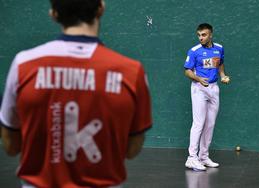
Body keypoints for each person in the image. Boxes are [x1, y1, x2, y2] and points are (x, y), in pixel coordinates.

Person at [0, 0, 152, 187]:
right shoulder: (132, 72)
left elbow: (10, 145)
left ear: (53, 14)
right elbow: (132, 149)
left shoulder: (23, 64)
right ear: (101, 8)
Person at [184, 23, 230, 171]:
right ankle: (192, 158)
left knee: (210, 124)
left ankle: (203, 156)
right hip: (199, 89)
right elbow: (187, 71)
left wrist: (222, 75)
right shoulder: (194, 51)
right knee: (199, 123)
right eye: (199, 35)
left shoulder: (219, 48)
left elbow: (220, 63)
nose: (201, 38)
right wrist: (198, 79)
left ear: (211, 35)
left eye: (203, 35)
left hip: (214, 88)